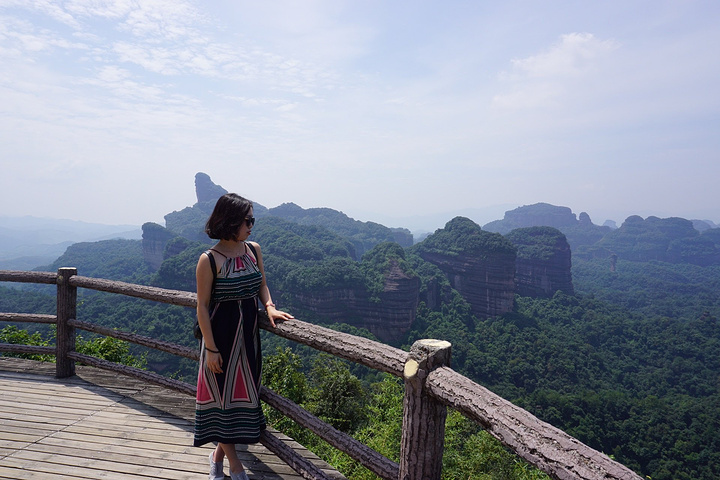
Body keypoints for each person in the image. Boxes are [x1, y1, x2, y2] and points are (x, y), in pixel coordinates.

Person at [193, 193, 294, 480]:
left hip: (248, 341)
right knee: (222, 402)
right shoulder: (209, 260)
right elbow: (201, 306)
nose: (252, 225)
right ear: (230, 221)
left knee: (241, 401)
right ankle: (236, 469)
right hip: (219, 340)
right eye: (247, 220)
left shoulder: (253, 250)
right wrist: (211, 349)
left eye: (252, 219)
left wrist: (270, 307)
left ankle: (216, 460)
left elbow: (261, 283)